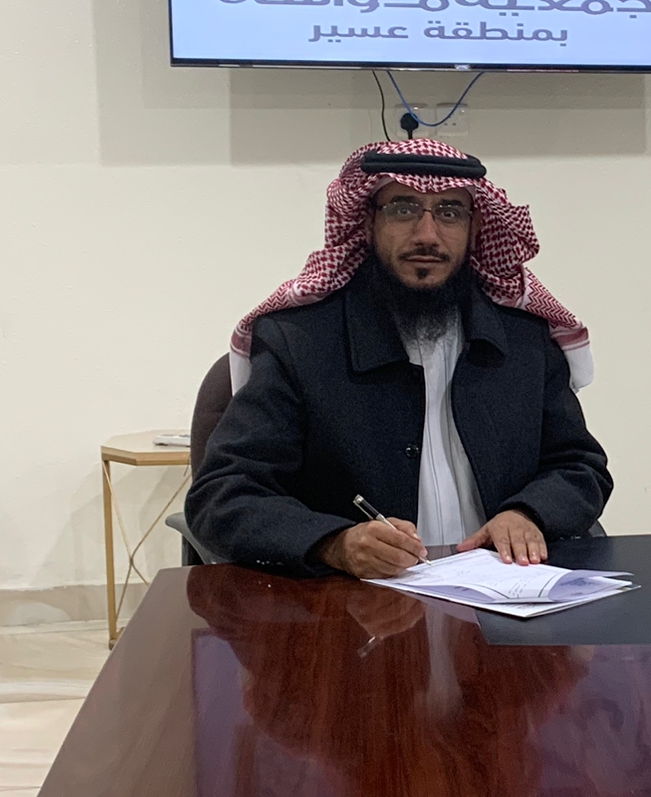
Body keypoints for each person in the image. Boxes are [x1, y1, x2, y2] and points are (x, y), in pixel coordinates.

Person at [187, 140, 611, 577]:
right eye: (403, 209)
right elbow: (223, 495)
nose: (427, 235)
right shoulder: (301, 341)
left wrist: (529, 513)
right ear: (369, 223)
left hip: (503, 589)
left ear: (475, 228)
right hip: (354, 600)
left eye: (449, 212)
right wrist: (333, 543)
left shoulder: (524, 339)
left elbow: (579, 466)